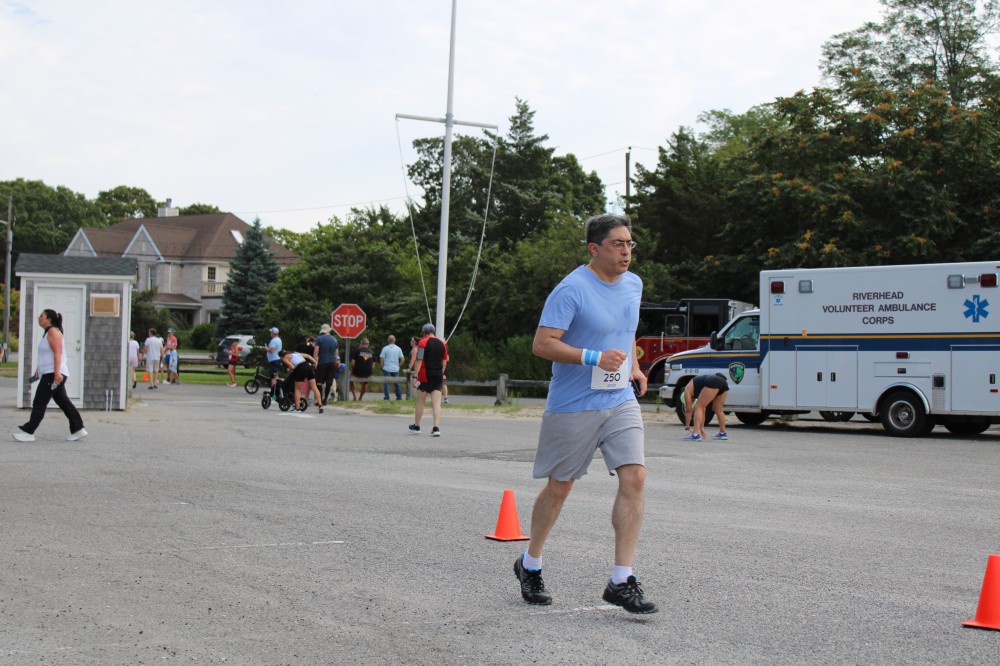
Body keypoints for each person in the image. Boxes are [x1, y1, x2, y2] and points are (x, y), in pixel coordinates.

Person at [513, 214, 656, 615]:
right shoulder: (571, 289)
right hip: (574, 403)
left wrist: (633, 366)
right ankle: (530, 564)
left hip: (619, 399)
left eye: (630, 243)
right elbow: (543, 344)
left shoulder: (633, 284)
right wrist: (593, 357)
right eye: (617, 244)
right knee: (560, 488)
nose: (626, 251)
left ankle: (621, 579)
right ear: (595, 249)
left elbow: (626, 329)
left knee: (635, 476)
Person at [12, 309, 87, 442]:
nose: (39, 318)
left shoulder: (53, 332)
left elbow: (58, 354)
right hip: (50, 372)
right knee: (63, 401)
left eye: (41, 316)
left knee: (39, 401)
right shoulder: (48, 333)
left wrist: (57, 374)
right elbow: (47, 355)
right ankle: (78, 429)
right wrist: (39, 369)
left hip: (54, 374)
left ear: (49, 319)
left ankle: (29, 432)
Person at [408, 324, 448, 437]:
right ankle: (436, 428)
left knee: (420, 401)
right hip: (438, 376)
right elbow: (444, 362)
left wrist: (415, 376)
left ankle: (417, 426)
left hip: (425, 375)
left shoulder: (422, 342)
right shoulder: (443, 344)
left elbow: (419, 360)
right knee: (436, 403)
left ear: (424, 333)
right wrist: (440, 373)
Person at [683, 373, 730, 441]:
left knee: (698, 406)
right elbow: (703, 410)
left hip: (713, 381)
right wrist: (702, 428)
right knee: (718, 409)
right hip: (724, 383)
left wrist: (687, 427)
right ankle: (723, 433)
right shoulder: (697, 386)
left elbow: (688, 410)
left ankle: (695, 434)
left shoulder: (687, 390)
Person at [314, 324, 340, 404]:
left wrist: (315, 360)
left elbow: (316, 350)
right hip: (332, 363)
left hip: (322, 362)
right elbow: (336, 352)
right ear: (329, 331)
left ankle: (320, 399)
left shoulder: (319, 339)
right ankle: (325, 400)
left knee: (319, 381)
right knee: (329, 382)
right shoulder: (335, 339)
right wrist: (336, 360)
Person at [379, 335, 405, 400]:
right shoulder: (398, 348)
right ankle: (399, 397)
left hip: (387, 368)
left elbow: (381, 359)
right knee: (397, 383)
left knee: (387, 383)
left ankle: (387, 397)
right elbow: (403, 359)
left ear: (388, 340)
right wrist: (398, 365)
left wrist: (382, 367)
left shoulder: (385, 348)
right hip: (395, 369)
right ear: (394, 340)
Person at [266, 327, 283, 394]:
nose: (270, 333)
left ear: (273, 333)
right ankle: (277, 389)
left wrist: (266, 349)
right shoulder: (279, 339)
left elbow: (272, 350)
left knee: (273, 377)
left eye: (271, 332)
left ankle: (273, 391)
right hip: (277, 359)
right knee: (276, 376)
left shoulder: (273, 340)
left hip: (274, 360)